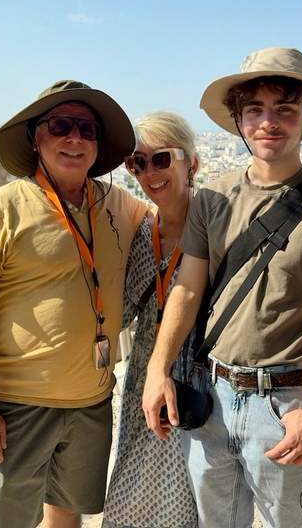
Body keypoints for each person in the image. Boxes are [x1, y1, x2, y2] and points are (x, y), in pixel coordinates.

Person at [142, 47, 302, 527]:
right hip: (213, 396)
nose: (269, 123)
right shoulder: (212, 198)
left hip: (288, 401)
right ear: (239, 120)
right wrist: (156, 369)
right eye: (255, 110)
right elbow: (187, 289)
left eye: (285, 110)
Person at [0, 80, 149, 528]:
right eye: (60, 126)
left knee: (66, 513)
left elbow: (171, 221)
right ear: (37, 139)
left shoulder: (117, 204)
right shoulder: (1, 210)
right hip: (18, 403)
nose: (74, 138)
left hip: (92, 400)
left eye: (86, 128)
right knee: (8, 521)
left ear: (98, 145)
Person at [103, 112, 200, 528]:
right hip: (146, 378)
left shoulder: (218, 227)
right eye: (137, 163)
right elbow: (124, 310)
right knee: (132, 493)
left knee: (191, 497)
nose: (148, 173)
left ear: (191, 163)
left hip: (199, 379)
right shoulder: (142, 233)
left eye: (160, 160)